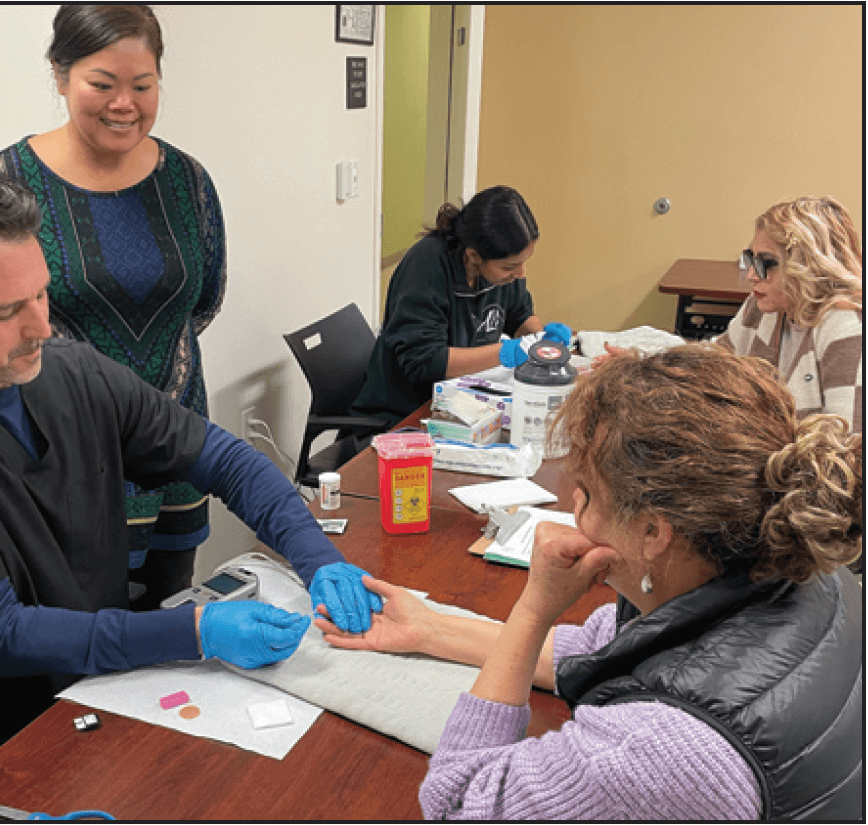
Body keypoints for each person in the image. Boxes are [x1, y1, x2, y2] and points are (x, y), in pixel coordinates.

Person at [0, 156, 380, 819]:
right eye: (6, 310)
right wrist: (194, 629)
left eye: (42, 294)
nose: (41, 326)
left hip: (97, 692)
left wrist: (318, 559)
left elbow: (223, 458)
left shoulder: (69, 370)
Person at [318, 344, 863, 819]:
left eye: (585, 495)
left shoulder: (660, 755)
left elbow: (459, 802)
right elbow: (600, 651)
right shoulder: (805, 564)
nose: (573, 510)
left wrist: (534, 608)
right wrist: (431, 629)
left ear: (653, 532)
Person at [0, 5, 226, 610]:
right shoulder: (3, 187)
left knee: (168, 627)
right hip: (61, 463)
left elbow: (203, 300)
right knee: (77, 640)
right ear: (60, 75)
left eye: (142, 86)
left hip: (174, 445)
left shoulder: (188, 180)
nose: (125, 103)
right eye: (103, 84)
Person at [351, 185, 571, 425]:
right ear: (474, 256)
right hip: (408, 414)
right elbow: (426, 362)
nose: (520, 274)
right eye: (509, 267)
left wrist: (542, 340)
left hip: (465, 401)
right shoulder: (426, 267)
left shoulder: (502, 271)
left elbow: (518, 314)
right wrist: (504, 353)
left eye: (523, 263)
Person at [715, 196, 862, 432]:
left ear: (808, 265)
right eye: (750, 260)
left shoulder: (848, 328)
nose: (752, 275)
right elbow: (715, 363)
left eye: (766, 262)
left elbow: (849, 449)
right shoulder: (763, 304)